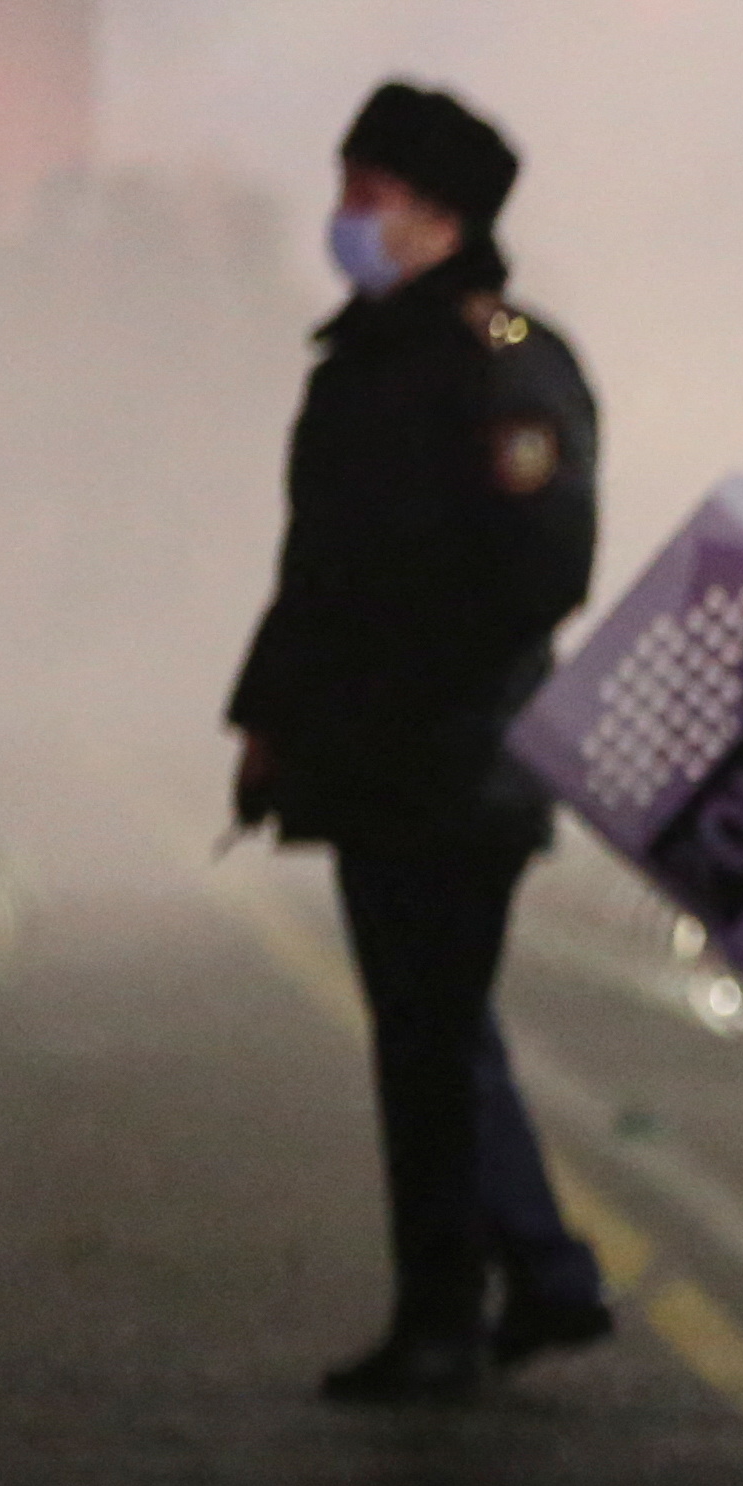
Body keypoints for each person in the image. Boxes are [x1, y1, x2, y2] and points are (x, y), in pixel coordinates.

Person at [224, 81, 610, 1404]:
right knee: (433, 1029)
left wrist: (403, 700)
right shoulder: (375, 357)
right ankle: (539, 1276)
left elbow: (538, 565)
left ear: (439, 210)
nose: (342, 219)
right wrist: (272, 718)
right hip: (383, 757)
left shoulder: (497, 355)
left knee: (428, 1041)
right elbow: (317, 568)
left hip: (454, 761)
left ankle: (446, 1315)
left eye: (363, 194)